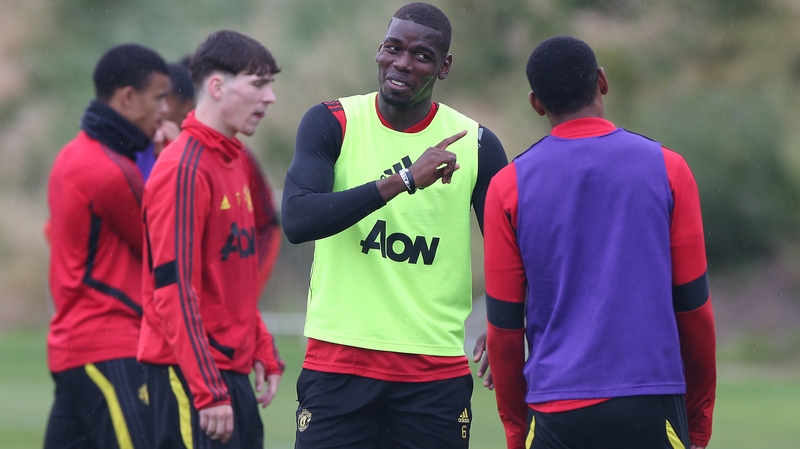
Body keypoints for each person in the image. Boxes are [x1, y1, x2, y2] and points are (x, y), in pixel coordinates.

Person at [281, 3, 508, 448]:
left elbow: (514, 250)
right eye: (393, 48)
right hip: (339, 365)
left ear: (443, 68)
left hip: (434, 373)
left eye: (422, 56)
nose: (402, 63)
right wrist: (403, 181)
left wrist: (506, 323)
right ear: (379, 51)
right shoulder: (332, 122)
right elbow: (298, 219)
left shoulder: (478, 145)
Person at [484, 36, 716, 449]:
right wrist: (697, 421)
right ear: (602, 81)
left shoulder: (507, 187)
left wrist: (518, 432)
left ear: (536, 103)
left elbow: (503, 331)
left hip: (555, 410)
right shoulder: (669, 169)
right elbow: (694, 310)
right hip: (651, 403)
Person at [137, 30, 285, 449]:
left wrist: (261, 344)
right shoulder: (183, 169)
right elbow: (173, 290)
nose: (270, 97)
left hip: (227, 373)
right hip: (190, 377)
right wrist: (207, 389)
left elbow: (233, 279)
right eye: (258, 84)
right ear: (217, 87)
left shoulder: (232, 159)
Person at [44, 43, 170, 448]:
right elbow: (163, 245)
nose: (166, 110)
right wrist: (172, 159)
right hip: (112, 346)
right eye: (160, 98)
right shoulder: (112, 171)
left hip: (72, 349)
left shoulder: (71, 156)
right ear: (128, 98)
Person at [136, 60, 194, 181]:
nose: (163, 108)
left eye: (163, 98)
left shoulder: (199, 150)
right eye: (156, 99)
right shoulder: (141, 144)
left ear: (186, 106)